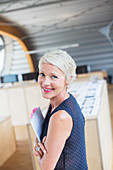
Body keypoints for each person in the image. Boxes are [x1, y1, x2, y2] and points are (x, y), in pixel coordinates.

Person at [33, 50, 88, 170]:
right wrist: (37, 144)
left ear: (68, 79)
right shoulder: (57, 102)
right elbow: (41, 135)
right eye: (42, 74)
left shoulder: (60, 116)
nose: (45, 82)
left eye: (54, 76)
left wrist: (39, 153)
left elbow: (46, 167)